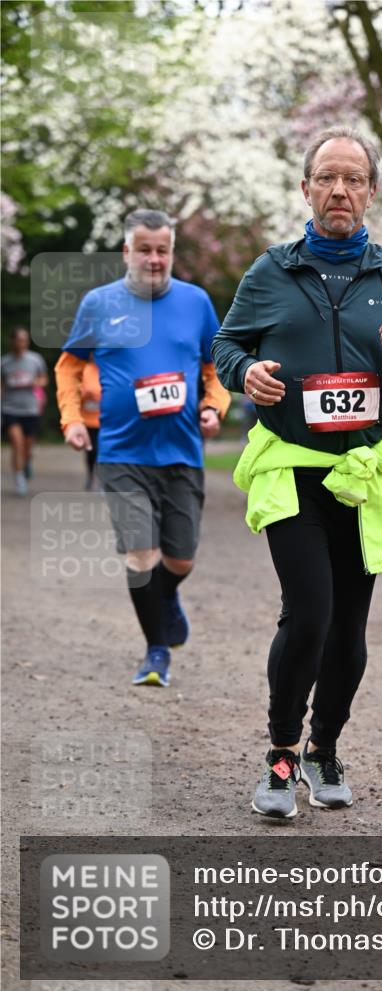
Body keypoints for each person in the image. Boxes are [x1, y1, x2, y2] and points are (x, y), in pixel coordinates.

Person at [212, 126, 382, 819]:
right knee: (307, 612)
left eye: (353, 179)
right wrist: (247, 373)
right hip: (291, 466)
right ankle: (280, 757)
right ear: (304, 187)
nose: (339, 190)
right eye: (326, 178)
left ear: (370, 191)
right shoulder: (269, 272)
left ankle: (323, 750)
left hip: (361, 471)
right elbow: (226, 345)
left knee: (348, 628)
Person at [55, 209, 231, 687]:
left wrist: (214, 408)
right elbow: (69, 366)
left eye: (163, 250)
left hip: (181, 452)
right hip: (120, 453)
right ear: (127, 253)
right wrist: (72, 420)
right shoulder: (99, 303)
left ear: (171, 252)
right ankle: (156, 651)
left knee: (179, 560)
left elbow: (217, 368)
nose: (155, 259)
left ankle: (165, 596)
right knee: (140, 556)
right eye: (145, 250)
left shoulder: (196, 303)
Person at [1, 326, 48, 496]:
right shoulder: (4, 362)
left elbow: (44, 379)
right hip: (10, 408)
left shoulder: (35, 360)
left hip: (30, 409)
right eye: (19, 339)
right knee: (16, 443)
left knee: (27, 447)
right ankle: (19, 477)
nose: (22, 343)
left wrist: (35, 383)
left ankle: (27, 462)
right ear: (13, 341)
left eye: (25, 339)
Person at [80, 358, 101, 490]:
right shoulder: (84, 369)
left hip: (105, 418)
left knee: (102, 451)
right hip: (88, 419)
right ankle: (90, 475)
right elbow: (75, 390)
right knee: (91, 452)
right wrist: (86, 394)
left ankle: (101, 481)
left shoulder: (108, 367)